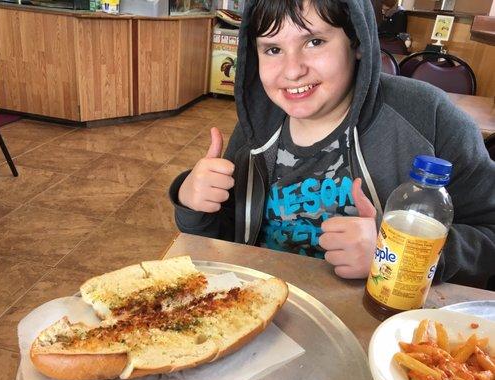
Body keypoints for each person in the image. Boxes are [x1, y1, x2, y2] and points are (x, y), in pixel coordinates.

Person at [169, 0, 495, 289]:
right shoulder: (256, 126)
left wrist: (395, 254)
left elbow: (489, 235)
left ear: (358, 42)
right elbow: (227, 240)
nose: (293, 70)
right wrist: (194, 206)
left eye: (314, 41)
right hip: (265, 307)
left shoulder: (428, 116)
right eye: (272, 49)